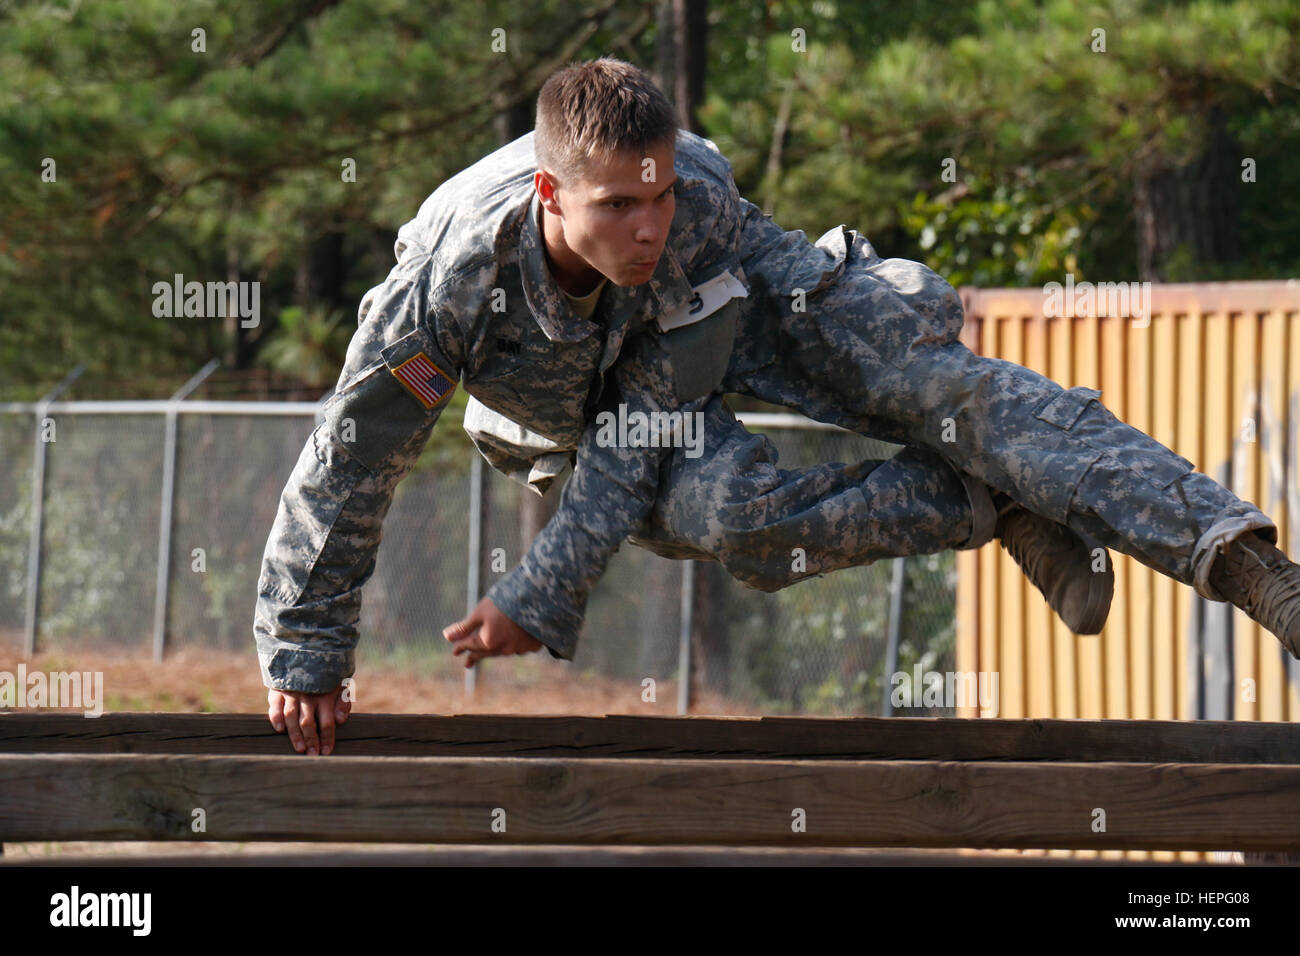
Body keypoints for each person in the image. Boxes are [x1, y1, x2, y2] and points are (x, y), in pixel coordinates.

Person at [255, 57, 1300, 757]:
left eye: (657, 195)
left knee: (939, 383)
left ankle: (1252, 568)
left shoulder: (694, 205)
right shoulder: (449, 282)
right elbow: (351, 458)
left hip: (732, 303)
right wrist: (308, 647)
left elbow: (661, 393)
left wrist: (537, 591)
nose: (646, 226)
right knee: (733, 522)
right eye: (617, 205)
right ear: (549, 196)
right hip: (572, 413)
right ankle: (988, 506)